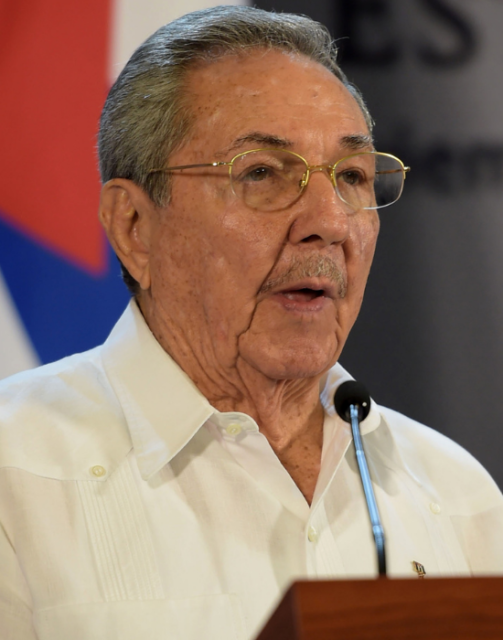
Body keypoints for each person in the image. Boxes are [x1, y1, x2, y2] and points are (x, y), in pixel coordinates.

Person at [1, 6, 503, 639]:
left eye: (351, 176)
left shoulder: (453, 493)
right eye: (263, 173)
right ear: (134, 227)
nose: (330, 221)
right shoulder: (15, 474)